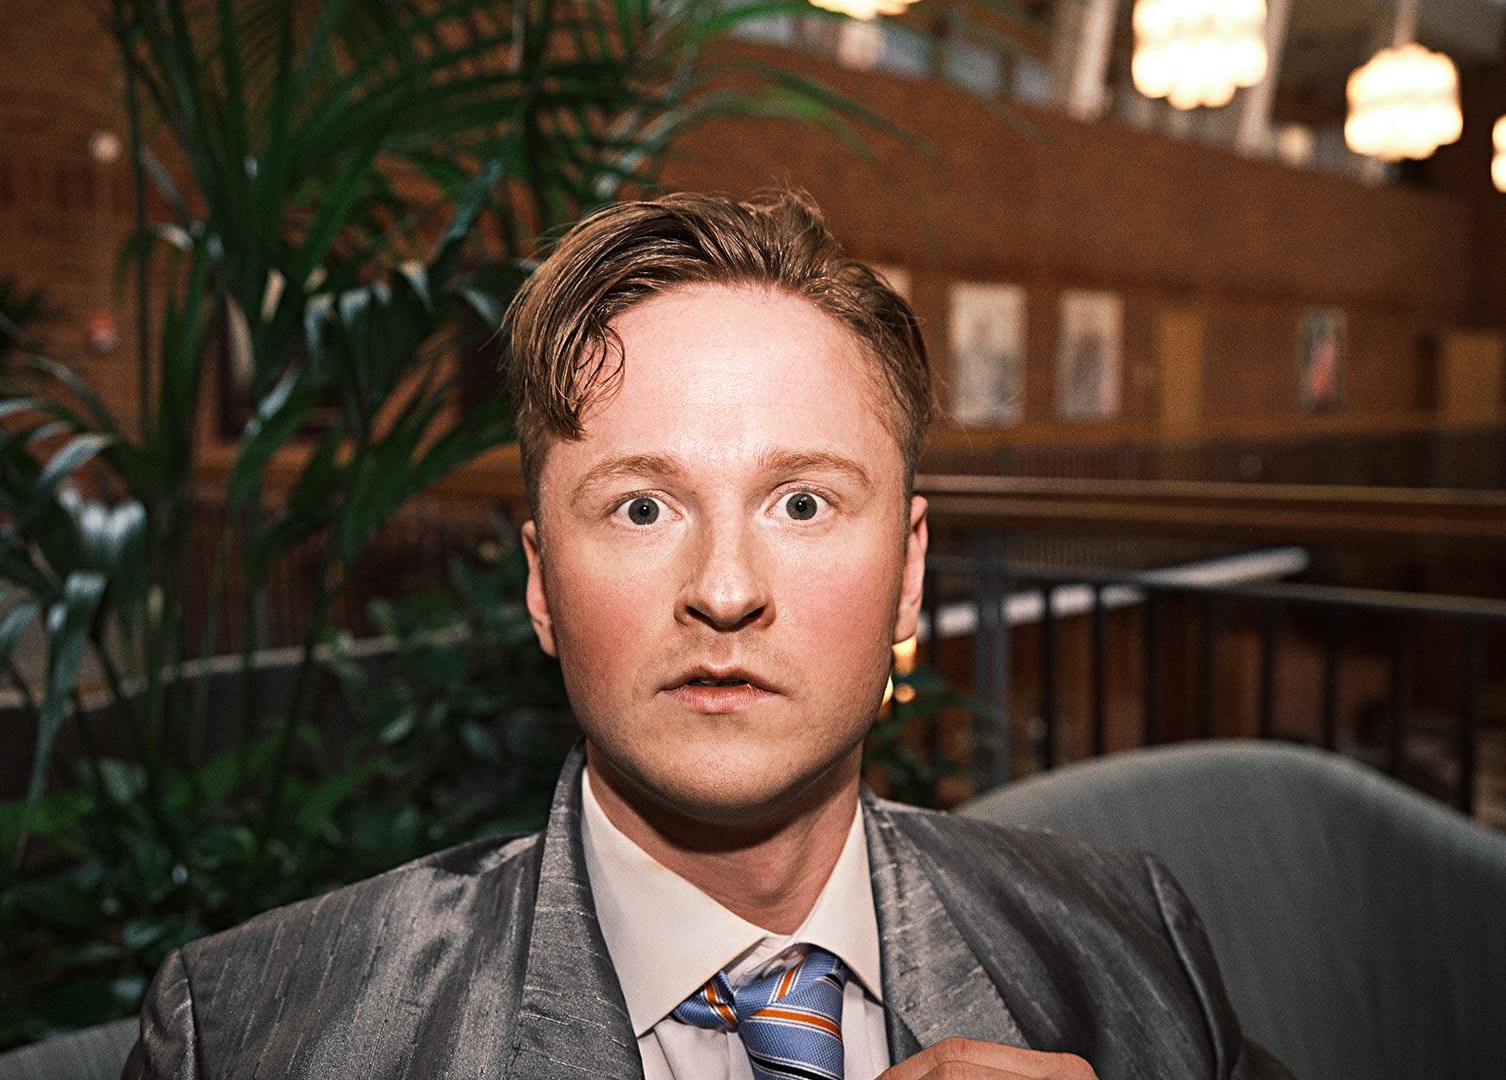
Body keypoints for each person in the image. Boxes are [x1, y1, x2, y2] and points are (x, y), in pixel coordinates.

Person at [122, 190, 1293, 1080]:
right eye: (643, 508)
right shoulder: (250, 1037)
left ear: (908, 575)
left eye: (803, 503)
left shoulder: (1131, 944)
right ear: (541, 584)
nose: (724, 591)